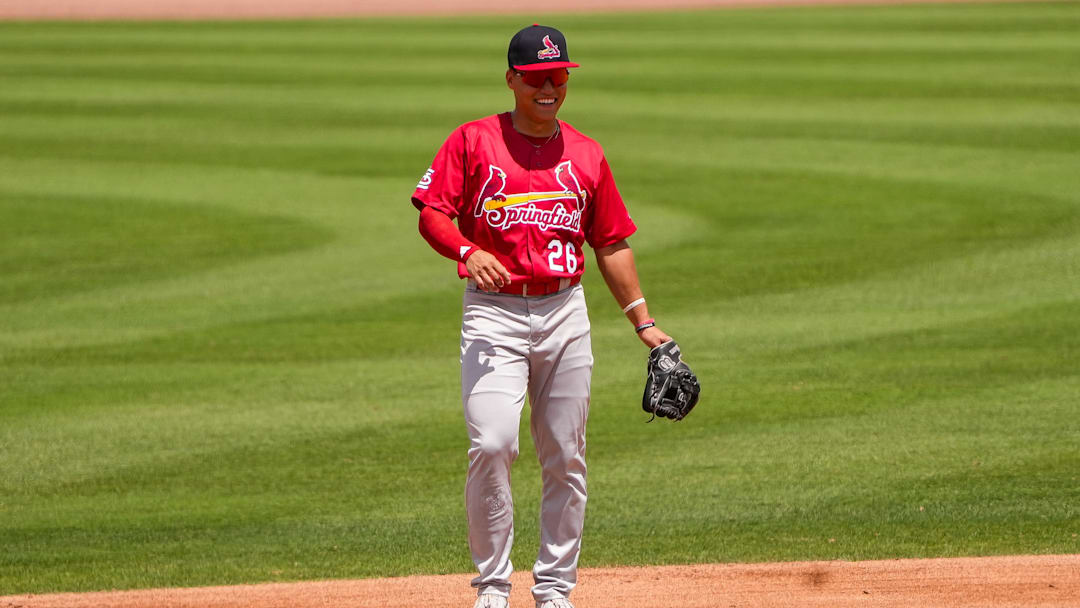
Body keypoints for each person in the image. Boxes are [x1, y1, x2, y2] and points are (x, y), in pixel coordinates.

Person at [410, 24, 673, 608]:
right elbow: (432, 213)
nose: (549, 87)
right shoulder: (473, 140)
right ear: (512, 80)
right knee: (493, 444)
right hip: (493, 316)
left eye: (558, 76)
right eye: (536, 78)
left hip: (564, 313)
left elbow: (610, 242)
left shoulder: (586, 153)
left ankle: (554, 589)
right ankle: (493, 588)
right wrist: (468, 251)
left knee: (565, 455)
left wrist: (642, 320)